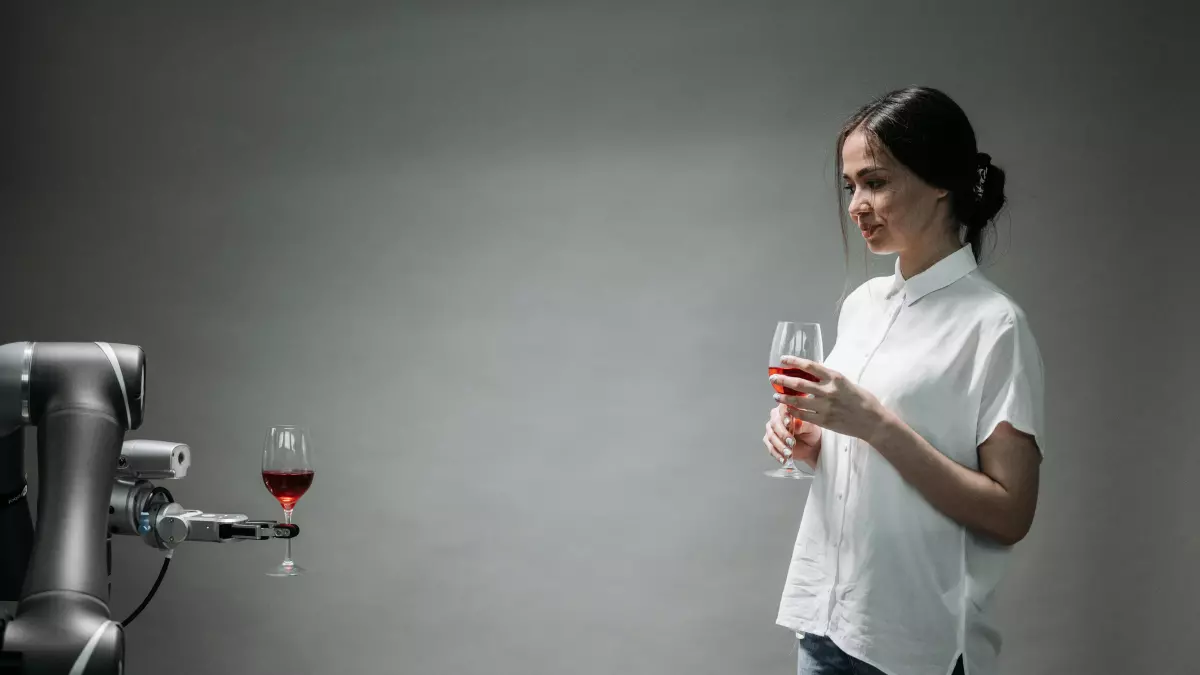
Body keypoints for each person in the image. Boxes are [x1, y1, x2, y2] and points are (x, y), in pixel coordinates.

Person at [763, 86, 1045, 675]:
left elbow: (1011, 513)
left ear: (941, 179)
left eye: (876, 181)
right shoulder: (863, 304)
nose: (855, 205)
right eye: (850, 186)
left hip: (914, 643)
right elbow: (871, 463)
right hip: (826, 621)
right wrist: (821, 447)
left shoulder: (993, 326)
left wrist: (873, 425)